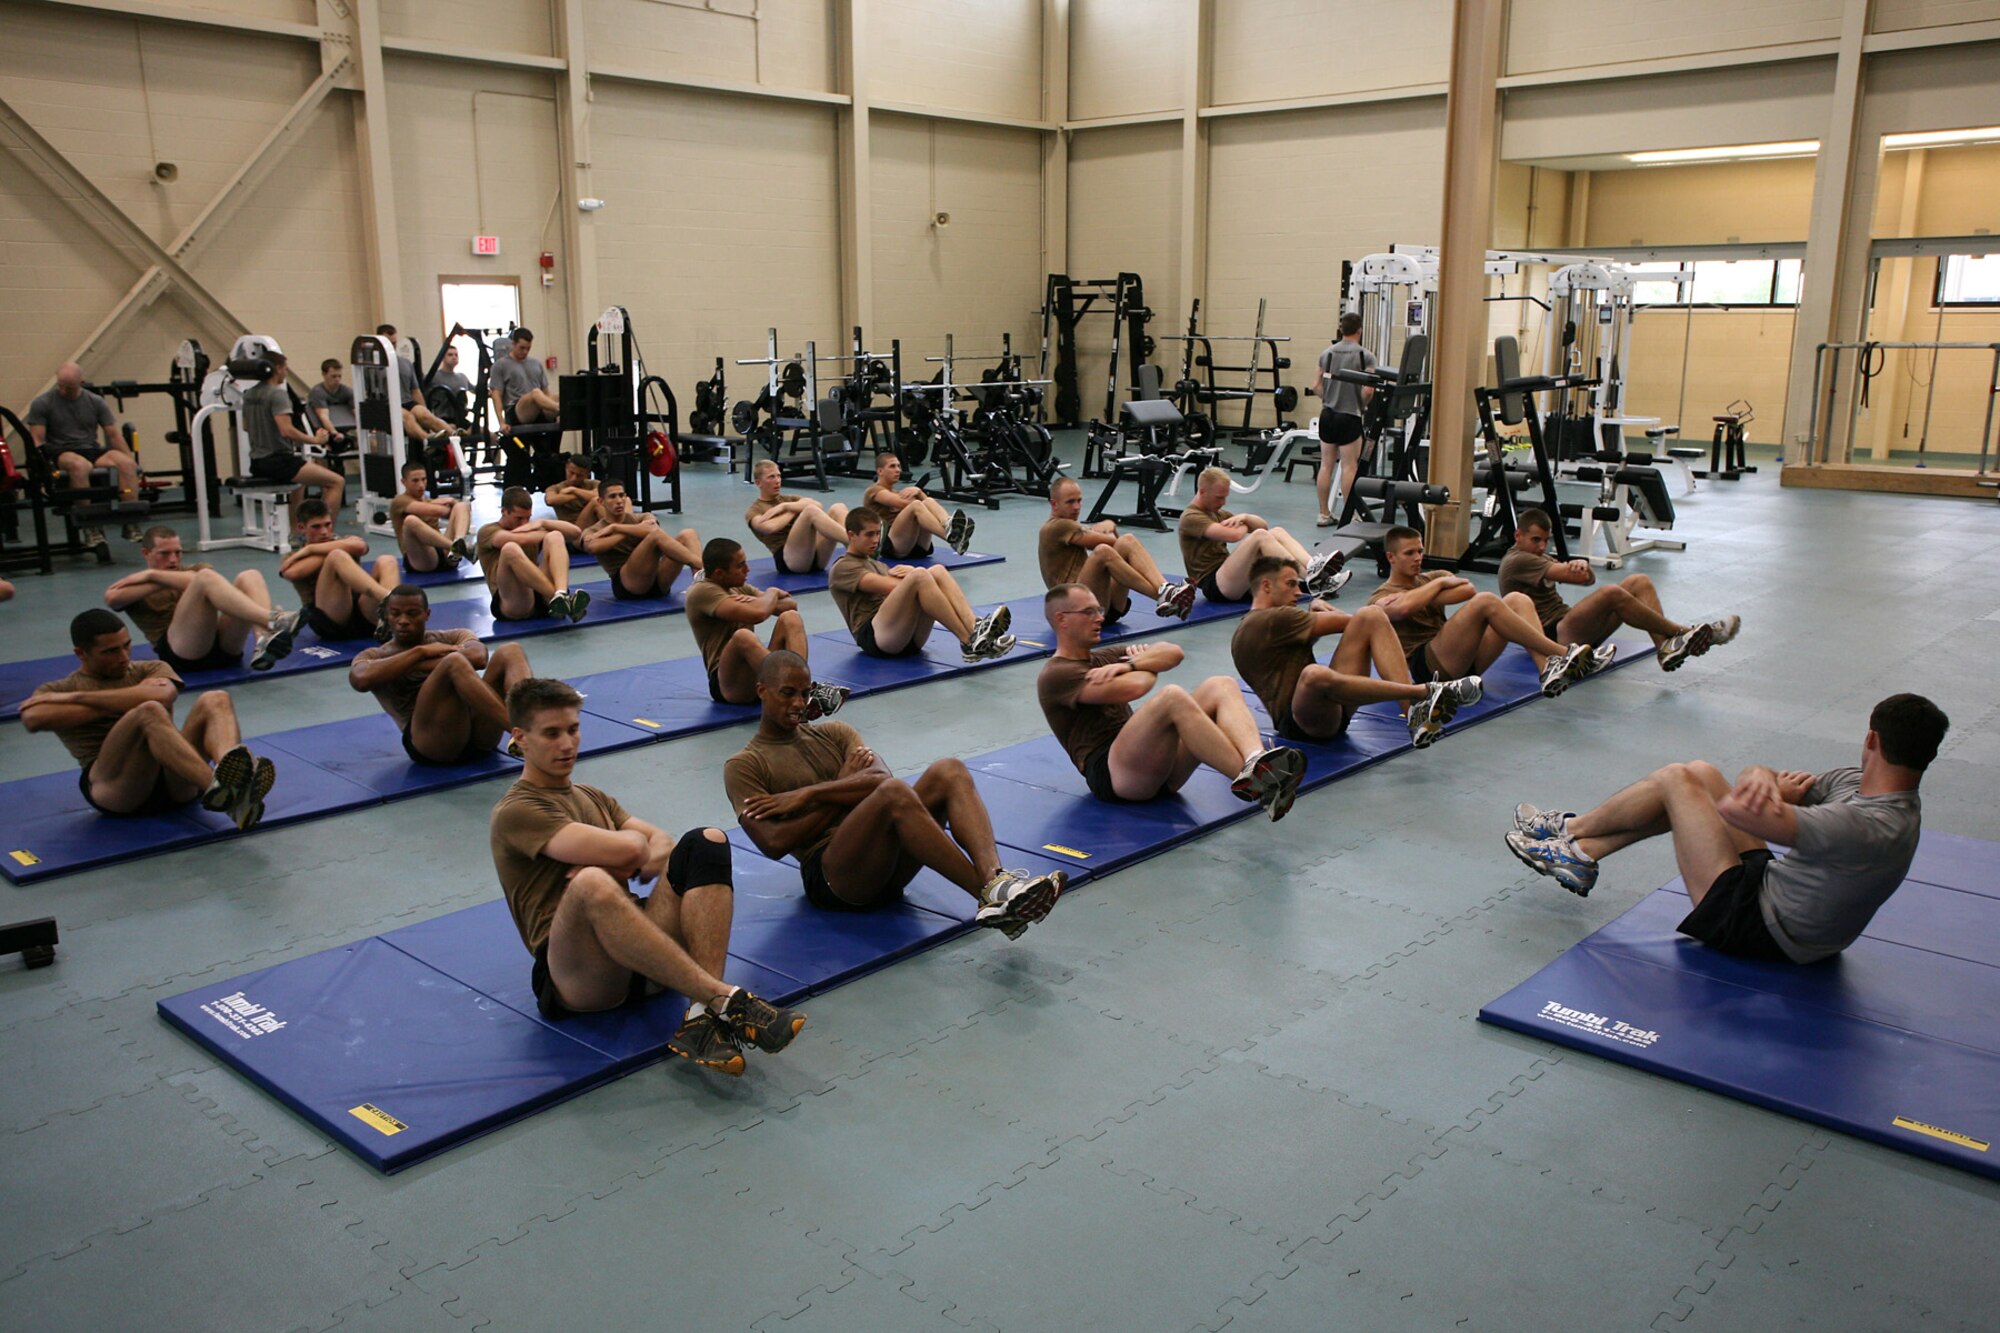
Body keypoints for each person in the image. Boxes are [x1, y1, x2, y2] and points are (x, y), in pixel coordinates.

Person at [492, 676, 805, 1075]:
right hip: (582, 976)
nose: (567, 744)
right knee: (591, 882)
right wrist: (628, 852)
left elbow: (662, 844)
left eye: (572, 729)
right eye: (551, 734)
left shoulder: (592, 796)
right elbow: (636, 847)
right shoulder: (518, 810)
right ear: (522, 738)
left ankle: (699, 1021)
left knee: (706, 840)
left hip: (638, 952)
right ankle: (723, 998)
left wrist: (627, 852)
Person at [1506, 694, 1948, 966]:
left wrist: (1759, 776)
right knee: (1699, 772)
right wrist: (1765, 779)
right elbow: (1774, 791)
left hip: (1759, 928)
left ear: (1871, 739)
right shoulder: (1863, 788)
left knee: (1678, 781)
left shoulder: (1863, 825)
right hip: (1780, 897)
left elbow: (1740, 809)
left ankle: (1569, 830)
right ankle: (1580, 854)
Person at [726, 651, 1064, 935]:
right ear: (761, 691)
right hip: (834, 879)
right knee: (894, 794)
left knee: (949, 770)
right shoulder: (745, 765)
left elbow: (879, 778)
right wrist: (842, 787)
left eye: (805, 692)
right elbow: (772, 844)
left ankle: (996, 881)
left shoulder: (835, 733)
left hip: (885, 865)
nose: (799, 703)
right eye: (787, 693)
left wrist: (811, 794)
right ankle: (988, 896)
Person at [1038, 582, 1306, 820]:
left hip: (1151, 766)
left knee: (1220, 684)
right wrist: (1142, 667)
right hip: (1115, 776)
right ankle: (1261, 783)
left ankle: (1256, 759)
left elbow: (1173, 652)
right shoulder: (1058, 675)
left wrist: (1132, 663)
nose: (1100, 617)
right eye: (1089, 612)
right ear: (1062, 619)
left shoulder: (1102, 658)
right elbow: (1134, 688)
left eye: (1098, 610)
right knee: (1172, 697)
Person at [22, 608, 275, 829]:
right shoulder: (56, 688)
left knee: (215, 698)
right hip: (119, 790)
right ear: (81, 654)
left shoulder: (147, 668)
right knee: (148, 711)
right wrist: (130, 698)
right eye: (110, 651)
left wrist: (75, 699)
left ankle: (232, 779)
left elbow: (165, 693)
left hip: (176, 780)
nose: (123, 657)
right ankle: (226, 795)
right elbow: (34, 718)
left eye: (126, 645)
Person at [1230, 556, 1483, 748]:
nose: (1299, 592)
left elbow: (1289, 651)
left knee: (1371, 615)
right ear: (1265, 586)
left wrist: (1317, 609)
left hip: (1327, 709)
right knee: (1314, 673)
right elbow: (1348, 622)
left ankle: (1414, 714)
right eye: (1291, 584)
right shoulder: (1272, 619)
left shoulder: (1255, 625)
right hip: (1303, 723)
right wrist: (1428, 590)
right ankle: (1421, 692)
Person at [1367, 525, 1599, 697]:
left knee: (1517, 599)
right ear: (1391, 557)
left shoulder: (1431, 576)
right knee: (1486, 601)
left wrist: (1428, 589)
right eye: (1410, 553)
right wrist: (1437, 586)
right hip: (1429, 668)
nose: (1418, 558)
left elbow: (1467, 589)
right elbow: (1402, 609)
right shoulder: (1381, 595)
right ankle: (1562, 653)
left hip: (1462, 659)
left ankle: (1548, 670)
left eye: (1420, 551)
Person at [1499, 508, 1741, 671]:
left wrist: (1583, 565)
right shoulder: (1518, 560)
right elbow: (1572, 575)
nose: (1542, 546)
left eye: (1545, 540)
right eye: (1536, 540)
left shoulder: (1538, 555)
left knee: (1639, 581)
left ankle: (1665, 649)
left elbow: (1587, 579)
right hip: (1552, 635)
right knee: (1611, 594)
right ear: (1518, 535)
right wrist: (1578, 566)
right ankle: (1685, 632)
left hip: (1570, 627)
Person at [350, 585, 530, 765]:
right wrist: (421, 652)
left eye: (412, 613)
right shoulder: (375, 655)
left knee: (511, 650)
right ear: (387, 616)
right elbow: (360, 679)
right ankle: (528, 736)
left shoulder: (450, 637)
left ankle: (531, 722)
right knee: (453, 662)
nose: (403, 620)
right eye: (396, 613)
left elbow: (479, 658)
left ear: (427, 614)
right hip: (432, 744)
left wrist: (416, 664)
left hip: (477, 735)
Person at [105, 526, 306, 674]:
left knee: (249, 575)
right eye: (164, 554)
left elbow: (202, 579)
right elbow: (112, 599)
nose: (173, 560)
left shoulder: (192, 570)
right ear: (146, 554)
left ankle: (263, 638)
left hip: (223, 647)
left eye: (178, 552)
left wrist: (151, 576)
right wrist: (152, 578)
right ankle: (274, 619)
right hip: (183, 654)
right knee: (203, 580)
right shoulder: (140, 585)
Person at [829, 508, 1013, 663]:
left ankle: (975, 630)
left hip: (906, 637)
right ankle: (967, 640)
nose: (876, 540)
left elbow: (906, 588)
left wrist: (913, 573)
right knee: (920, 575)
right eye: (869, 534)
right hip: (877, 640)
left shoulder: (878, 565)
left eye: (878, 533)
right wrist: (913, 572)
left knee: (938, 570)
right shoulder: (843, 567)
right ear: (851, 535)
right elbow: (893, 587)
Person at [1039, 476, 1194, 623]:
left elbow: (1117, 543)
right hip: (1077, 610)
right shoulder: (1058, 526)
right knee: (1102, 552)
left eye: (1079, 501)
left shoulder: (1067, 525)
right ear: (1054, 503)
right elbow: (1108, 542)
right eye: (1070, 502)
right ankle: (1162, 596)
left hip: (1101, 604)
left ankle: (1165, 588)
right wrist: (1109, 524)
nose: (1077, 507)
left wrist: (1108, 527)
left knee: (1127, 540)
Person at [1179, 467, 1344, 603]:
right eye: (1219, 498)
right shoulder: (1191, 517)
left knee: (1276, 532)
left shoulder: (1216, 512)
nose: (1223, 502)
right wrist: (1245, 526)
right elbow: (1233, 536)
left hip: (1231, 577)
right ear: (1202, 492)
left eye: (1225, 497)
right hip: (1214, 585)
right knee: (1259, 536)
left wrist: (1245, 517)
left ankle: (1314, 569)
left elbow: (1263, 526)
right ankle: (1311, 577)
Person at [28, 362, 142, 542]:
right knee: (79, 466)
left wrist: (133, 461)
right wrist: (44, 467)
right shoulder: (43, 403)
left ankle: (129, 521)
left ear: (82, 381)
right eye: (61, 386)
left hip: (92, 449)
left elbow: (112, 433)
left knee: (127, 465)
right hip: (62, 451)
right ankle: (90, 525)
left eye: (69, 387)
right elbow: (37, 440)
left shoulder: (95, 401)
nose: (64, 391)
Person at [278, 499, 401, 641]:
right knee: (336, 556)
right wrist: (334, 549)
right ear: (301, 528)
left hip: (363, 614)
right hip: (330, 620)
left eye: (328, 525)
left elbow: (361, 547)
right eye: (316, 527)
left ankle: (387, 613)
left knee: (387, 560)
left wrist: (311, 549)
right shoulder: (294, 556)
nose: (324, 532)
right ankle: (393, 601)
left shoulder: (340, 541)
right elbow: (292, 573)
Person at [242, 351, 345, 518]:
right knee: (336, 482)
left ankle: (295, 532)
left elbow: (246, 426)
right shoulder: (277, 394)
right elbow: (286, 430)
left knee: (300, 483)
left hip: (257, 462)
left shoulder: (250, 394)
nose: (285, 373)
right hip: (278, 461)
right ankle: (324, 533)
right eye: (285, 369)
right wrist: (315, 440)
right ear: (277, 369)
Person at [476, 487, 589, 623]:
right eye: (519, 518)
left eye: (528, 518)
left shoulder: (532, 528)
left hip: (540, 596)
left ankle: (561, 594)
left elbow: (576, 533)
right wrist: (541, 532)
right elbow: (518, 539)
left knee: (555, 536)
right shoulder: (487, 531)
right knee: (510, 548)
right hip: (514, 601)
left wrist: (543, 522)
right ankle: (565, 600)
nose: (524, 523)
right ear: (504, 511)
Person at [581, 480, 700, 600]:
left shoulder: (641, 517)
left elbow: (653, 527)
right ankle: (704, 567)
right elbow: (592, 547)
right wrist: (629, 531)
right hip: (629, 587)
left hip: (658, 581)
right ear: (601, 501)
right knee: (655, 535)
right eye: (612, 497)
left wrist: (615, 528)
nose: (618, 501)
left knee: (688, 534)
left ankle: (701, 585)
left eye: (622, 495)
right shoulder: (595, 530)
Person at [1311, 313, 1377, 526]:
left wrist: (1328, 399)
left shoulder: (1326, 354)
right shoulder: (1365, 356)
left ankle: (1323, 514)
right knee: (1349, 467)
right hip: (1350, 416)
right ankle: (1352, 516)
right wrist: (1362, 404)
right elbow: (1368, 390)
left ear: (1341, 330)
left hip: (1328, 415)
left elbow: (1316, 386)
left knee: (1326, 465)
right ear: (1359, 330)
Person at [744, 459, 850, 574]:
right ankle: (857, 543)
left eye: (778, 476)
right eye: (771, 477)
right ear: (758, 483)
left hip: (814, 556)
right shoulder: (755, 510)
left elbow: (817, 504)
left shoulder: (788, 500)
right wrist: (792, 510)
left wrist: (785, 506)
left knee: (838, 508)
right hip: (791, 562)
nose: (777, 481)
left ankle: (855, 551)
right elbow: (770, 527)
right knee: (810, 511)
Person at [862, 451, 972, 559]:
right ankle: (950, 537)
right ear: (880, 471)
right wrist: (918, 496)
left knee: (927, 501)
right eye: (892, 466)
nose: (898, 470)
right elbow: (904, 504)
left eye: (898, 466)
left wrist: (919, 492)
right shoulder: (874, 491)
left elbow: (926, 503)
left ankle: (948, 524)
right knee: (916, 505)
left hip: (915, 545)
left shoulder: (897, 492)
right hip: (892, 547)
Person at [389, 460, 473, 574]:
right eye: (415, 481)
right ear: (403, 482)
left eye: (423, 479)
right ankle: (458, 547)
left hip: (445, 554)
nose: (421, 485)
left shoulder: (428, 500)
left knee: (462, 506)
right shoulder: (400, 501)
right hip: (423, 559)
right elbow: (437, 511)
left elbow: (456, 512)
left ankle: (458, 544)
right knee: (410, 521)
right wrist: (445, 502)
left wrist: (451, 504)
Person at [375, 324, 454, 445]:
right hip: (386, 405)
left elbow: (415, 391)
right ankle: (428, 440)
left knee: (425, 415)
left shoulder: (405, 363)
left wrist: (424, 409)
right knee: (408, 417)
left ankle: (455, 436)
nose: (392, 347)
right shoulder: (371, 366)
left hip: (406, 401)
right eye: (388, 344)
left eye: (394, 343)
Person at [490, 328, 561, 427]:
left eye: (528, 348)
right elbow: (496, 395)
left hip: (538, 409)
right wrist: (501, 422)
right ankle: (560, 409)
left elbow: (546, 393)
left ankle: (563, 410)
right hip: (516, 411)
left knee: (560, 396)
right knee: (535, 394)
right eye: (522, 348)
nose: (525, 352)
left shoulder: (536, 364)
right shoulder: (500, 365)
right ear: (513, 343)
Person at [307, 359, 358, 453]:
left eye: (339, 376)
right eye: (333, 376)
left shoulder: (347, 391)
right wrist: (334, 432)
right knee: (324, 448)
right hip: (322, 430)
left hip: (345, 430)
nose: (337, 379)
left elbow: (357, 412)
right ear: (324, 374)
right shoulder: (318, 392)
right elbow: (323, 416)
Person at [546, 455, 605, 531]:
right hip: (574, 530)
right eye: (571, 473)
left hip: (596, 525)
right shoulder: (555, 488)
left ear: (587, 475)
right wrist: (579, 495)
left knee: (623, 499)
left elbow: (602, 496)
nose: (574, 478)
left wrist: (573, 490)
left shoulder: (594, 484)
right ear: (566, 468)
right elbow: (550, 500)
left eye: (579, 475)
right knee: (596, 502)